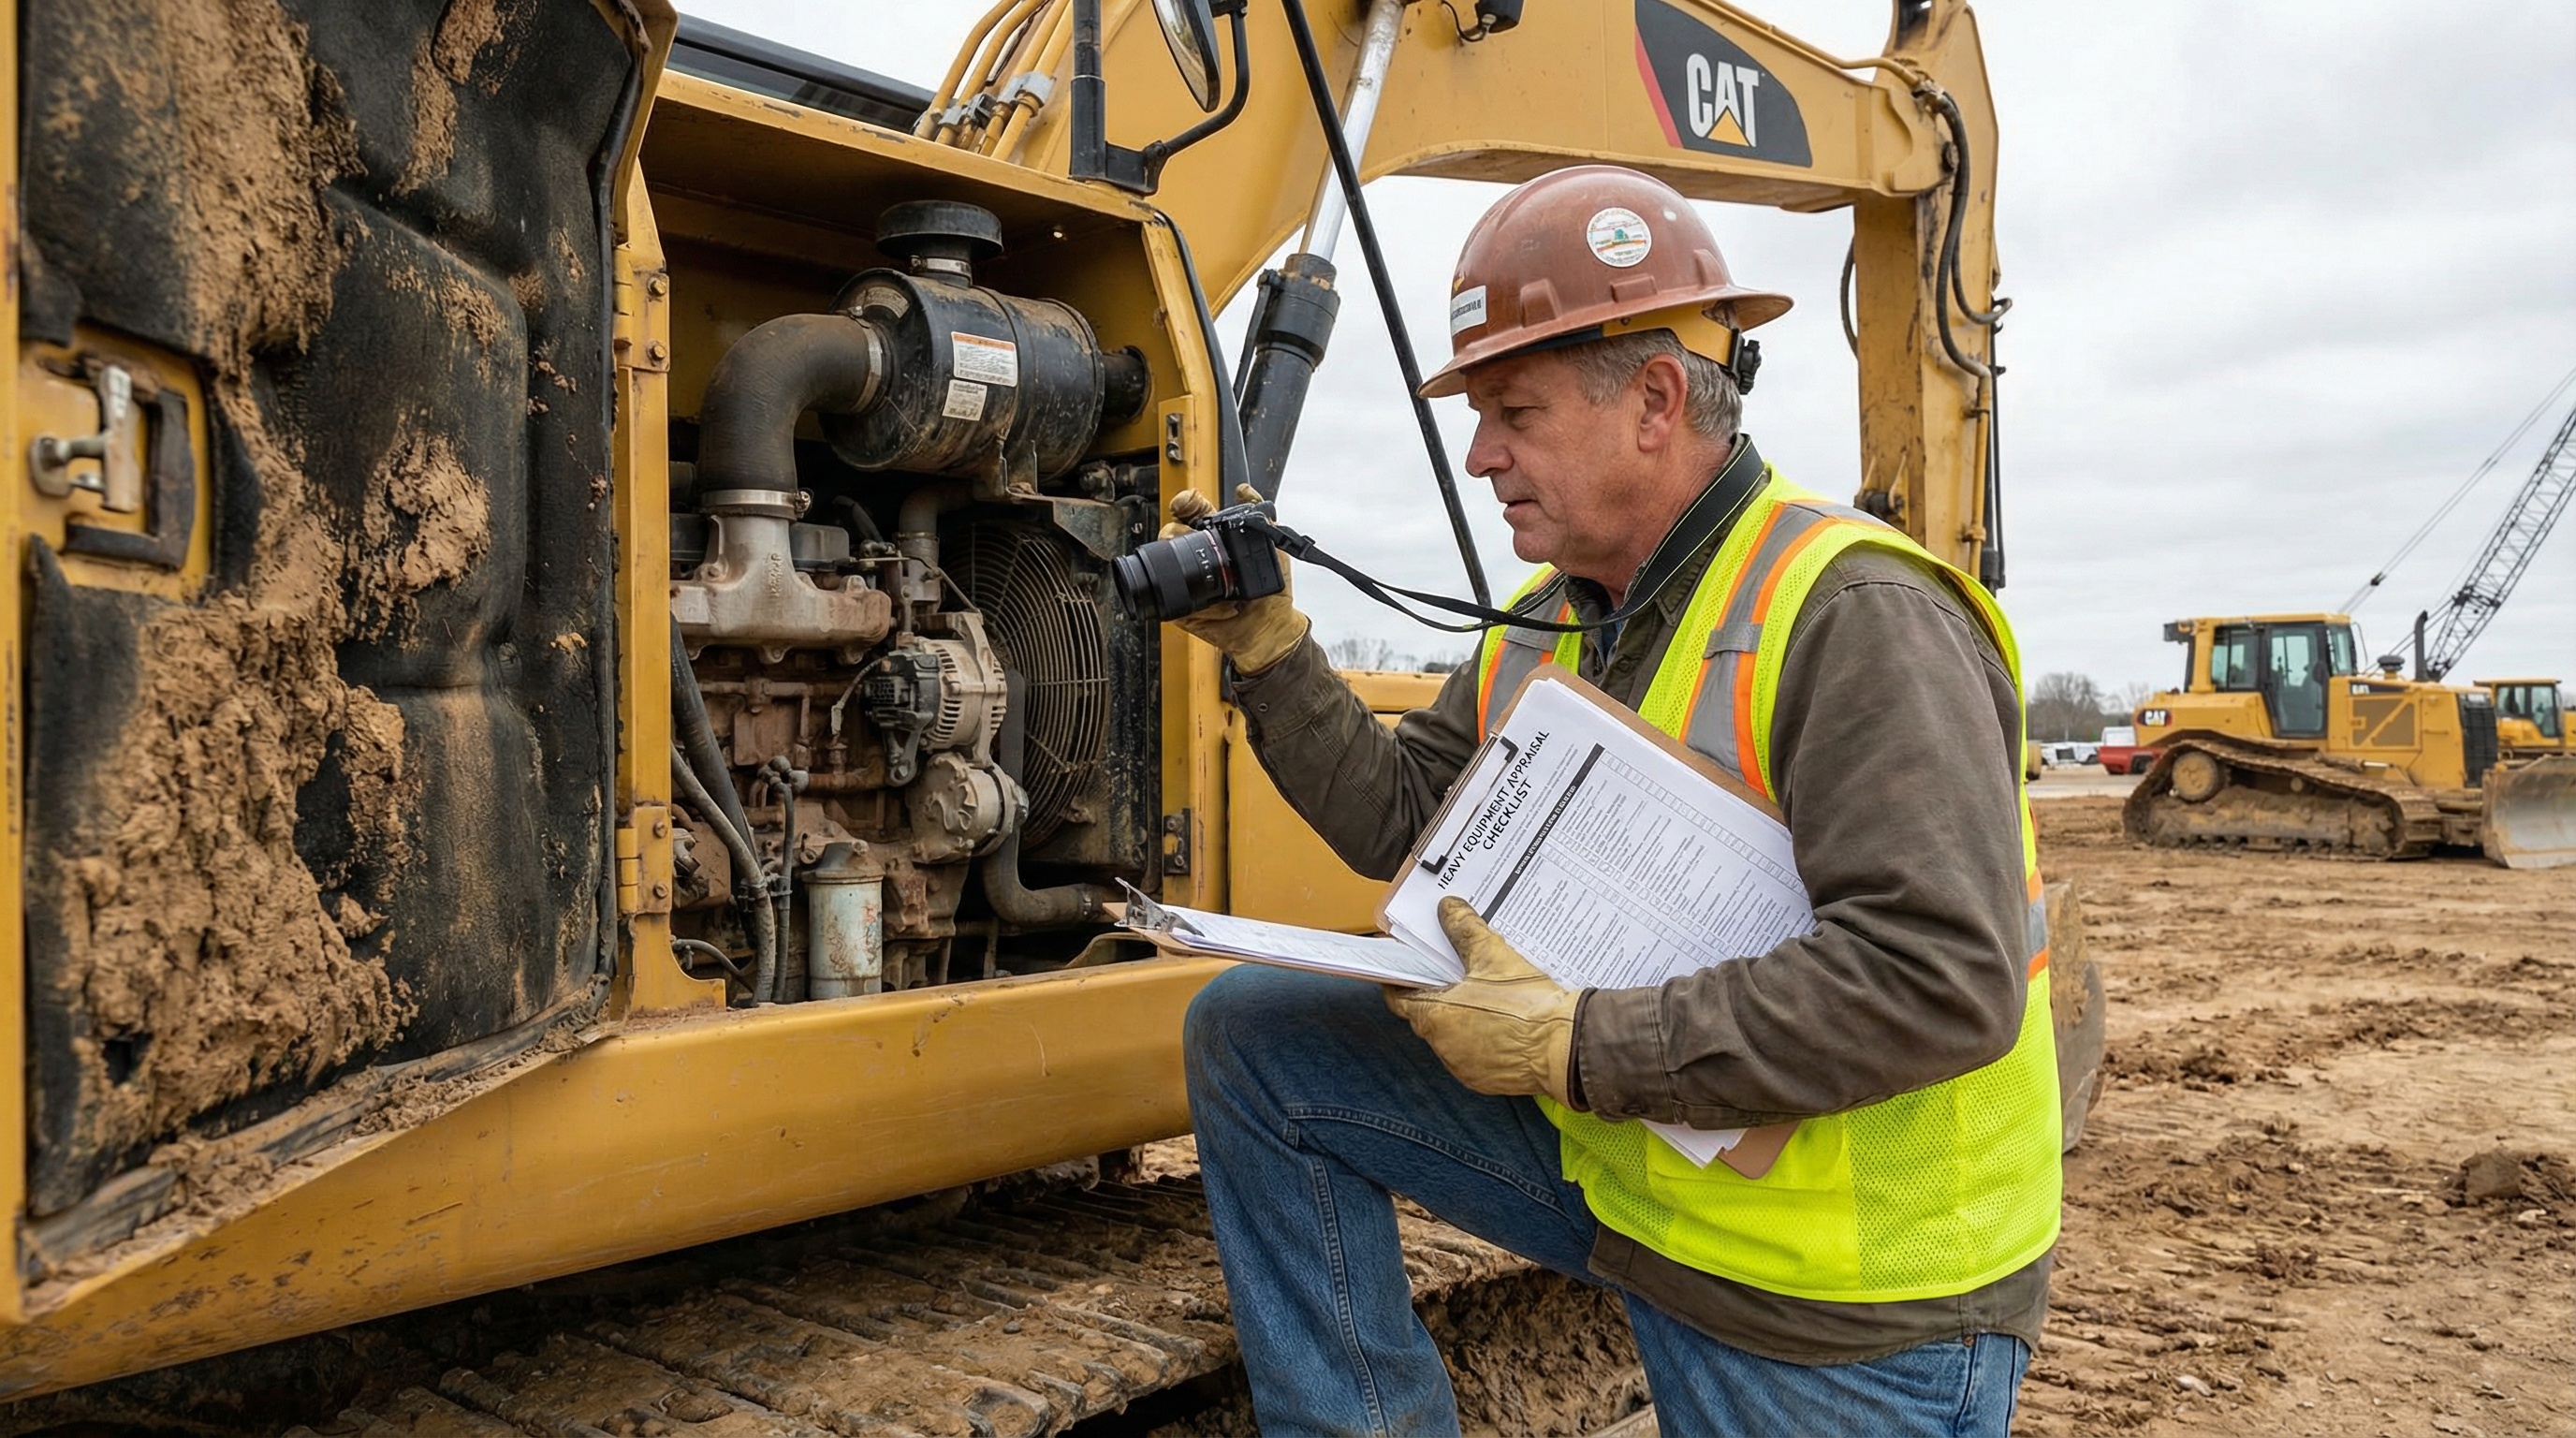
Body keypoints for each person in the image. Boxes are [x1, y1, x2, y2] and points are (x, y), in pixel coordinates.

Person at [1174, 165, 2060, 1437]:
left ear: (1654, 401)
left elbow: (1938, 979)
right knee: (1258, 1036)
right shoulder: (1551, 620)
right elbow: (1407, 819)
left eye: (1514, 413)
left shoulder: (1856, 615)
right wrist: (1271, 652)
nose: (1481, 454)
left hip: (1848, 1305)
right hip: (1650, 1171)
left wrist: (1572, 1045)